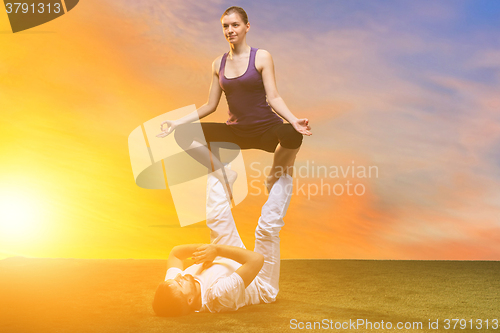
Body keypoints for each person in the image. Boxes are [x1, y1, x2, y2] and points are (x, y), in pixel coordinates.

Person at [156, 6, 311, 200]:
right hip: (236, 133)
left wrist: (293, 120)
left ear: (247, 27)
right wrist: (177, 122)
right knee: (183, 134)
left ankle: (273, 176)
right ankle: (224, 174)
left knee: (292, 134)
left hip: (266, 131)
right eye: (225, 26)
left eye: (235, 25)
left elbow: (274, 97)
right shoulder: (217, 64)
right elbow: (210, 105)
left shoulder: (262, 57)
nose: (230, 30)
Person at [152, 170, 293, 316]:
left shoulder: (171, 287)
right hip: (258, 280)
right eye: (180, 283)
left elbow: (175, 254)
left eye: (176, 279)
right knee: (266, 229)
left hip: (223, 260)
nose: (178, 277)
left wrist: (208, 250)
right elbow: (256, 260)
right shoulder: (217, 297)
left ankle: (222, 167)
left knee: (215, 216)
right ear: (189, 300)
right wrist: (216, 251)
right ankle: (283, 176)